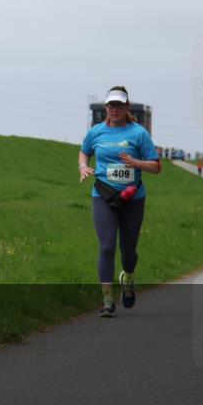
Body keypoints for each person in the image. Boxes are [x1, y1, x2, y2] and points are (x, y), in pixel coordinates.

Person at [78, 86, 161, 318]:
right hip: (103, 195)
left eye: (119, 105)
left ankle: (128, 277)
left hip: (133, 197)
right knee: (106, 247)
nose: (114, 109)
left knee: (128, 251)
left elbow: (156, 167)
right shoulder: (96, 132)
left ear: (127, 108)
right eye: (111, 105)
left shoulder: (139, 133)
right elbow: (84, 151)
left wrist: (136, 163)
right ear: (106, 108)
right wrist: (83, 166)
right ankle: (107, 301)